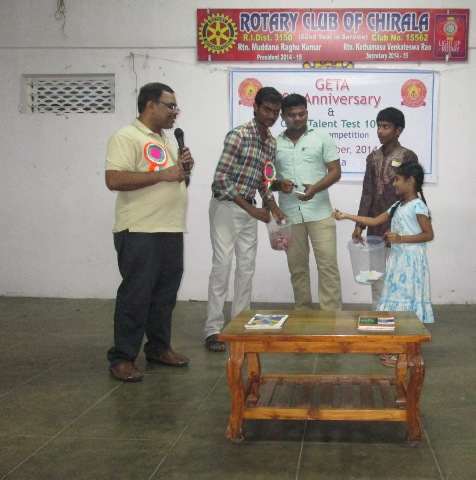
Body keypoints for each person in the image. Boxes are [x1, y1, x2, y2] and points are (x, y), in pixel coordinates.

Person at [105, 82, 193, 382]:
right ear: (151, 105)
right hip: (140, 229)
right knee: (136, 296)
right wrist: (163, 174)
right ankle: (122, 357)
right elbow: (114, 179)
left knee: (164, 295)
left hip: (170, 227)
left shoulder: (167, 141)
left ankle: (158, 347)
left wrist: (183, 172)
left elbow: (174, 182)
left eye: (176, 106)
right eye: (171, 106)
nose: (175, 112)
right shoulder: (126, 136)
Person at [204, 86, 285, 352]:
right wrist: (251, 210)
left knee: (246, 268)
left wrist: (272, 206)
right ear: (255, 107)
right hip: (227, 207)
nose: (271, 116)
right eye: (266, 110)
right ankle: (213, 329)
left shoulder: (271, 142)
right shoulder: (238, 136)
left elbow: (265, 181)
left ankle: (239, 324)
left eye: (275, 112)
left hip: (251, 209)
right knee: (222, 267)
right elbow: (221, 178)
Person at [334, 162, 435, 366]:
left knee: (406, 305)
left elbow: (428, 234)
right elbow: (373, 221)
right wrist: (346, 215)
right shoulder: (398, 205)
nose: (394, 183)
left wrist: (401, 238)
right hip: (397, 260)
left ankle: (408, 354)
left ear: (410, 181)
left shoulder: (418, 206)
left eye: (397, 179)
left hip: (411, 263)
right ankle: (400, 348)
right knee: (396, 302)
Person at [272, 93, 343, 311]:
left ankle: (331, 318)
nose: (297, 119)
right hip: (288, 215)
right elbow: (266, 181)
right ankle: (303, 313)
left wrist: (316, 188)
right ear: (283, 116)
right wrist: (279, 185)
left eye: (301, 114)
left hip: (320, 213)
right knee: (297, 269)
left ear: (307, 113)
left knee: (328, 267)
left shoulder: (322, 138)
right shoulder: (274, 143)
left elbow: (335, 171)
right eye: (291, 115)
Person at [353, 107, 419, 308]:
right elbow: (367, 193)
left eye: (386, 127)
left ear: (398, 130)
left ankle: (402, 315)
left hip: (401, 228)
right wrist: (359, 225)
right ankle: (379, 312)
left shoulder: (408, 157)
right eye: (379, 126)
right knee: (377, 274)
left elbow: (411, 194)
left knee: (400, 274)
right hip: (376, 227)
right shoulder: (372, 158)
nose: (380, 131)